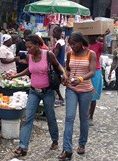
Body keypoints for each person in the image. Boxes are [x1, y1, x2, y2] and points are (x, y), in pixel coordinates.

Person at [9, 34, 67, 156]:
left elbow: (58, 66)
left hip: (48, 92)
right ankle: (23, 146)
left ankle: (55, 140)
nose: (28, 49)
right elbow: (30, 69)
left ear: (37, 45)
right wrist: (15, 76)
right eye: (27, 47)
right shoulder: (30, 56)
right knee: (28, 118)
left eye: (30, 47)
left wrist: (64, 75)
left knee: (50, 117)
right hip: (34, 91)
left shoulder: (48, 55)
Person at [58, 32, 96, 160]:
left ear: (81, 42)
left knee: (83, 118)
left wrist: (80, 79)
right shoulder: (70, 54)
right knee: (69, 117)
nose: (72, 46)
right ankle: (67, 149)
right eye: (70, 44)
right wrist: (65, 76)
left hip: (85, 90)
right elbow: (67, 68)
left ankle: (82, 144)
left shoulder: (91, 54)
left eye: (74, 44)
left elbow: (91, 72)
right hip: (71, 89)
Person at [87, 32, 108, 126]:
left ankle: (91, 116)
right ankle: (86, 114)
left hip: (96, 71)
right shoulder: (84, 45)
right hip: (85, 72)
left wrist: (104, 37)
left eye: (91, 35)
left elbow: (104, 49)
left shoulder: (99, 45)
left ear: (95, 36)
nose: (89, 37)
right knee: (84, 95)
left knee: (93, 96)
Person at [52, 26, 66, 105]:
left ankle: (61, 98)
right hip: (60, 64)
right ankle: (60, 98)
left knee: (55, 82)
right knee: (56, 83)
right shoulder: (62, 41)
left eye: (54, 32)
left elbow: (54, 56)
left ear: (59, 33)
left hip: (57, 65)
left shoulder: (59, 44)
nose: (53, 33)